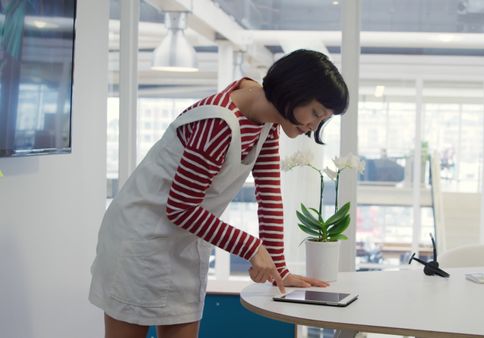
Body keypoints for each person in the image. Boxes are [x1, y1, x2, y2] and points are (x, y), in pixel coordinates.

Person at [89, 49, 349, 338]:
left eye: (322, 119)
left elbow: (269, 194)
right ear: (294, 89)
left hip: (181, 244)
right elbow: (181, 207)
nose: (314, 126)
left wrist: (278, 268)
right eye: (315, 113)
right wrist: (252, 249)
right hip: (138, 243)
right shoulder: (218, 123)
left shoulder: (266, 122)